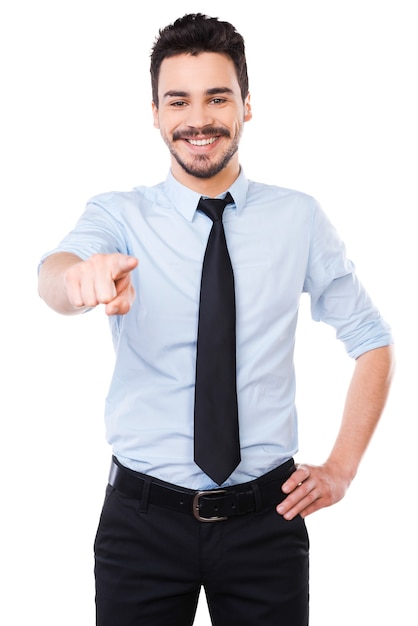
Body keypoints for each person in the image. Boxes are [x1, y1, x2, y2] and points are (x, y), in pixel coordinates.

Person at [38, 13, 394, 626]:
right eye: (178, 100)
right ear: (154, 112)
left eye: (217, 97)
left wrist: (342, 469)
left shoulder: (299, 218)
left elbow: (372, 340)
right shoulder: (119, 216)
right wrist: (79, 280)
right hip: (141, 524)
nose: (197, 119)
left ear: (247, 106)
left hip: (267, 523)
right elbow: (55, 276)